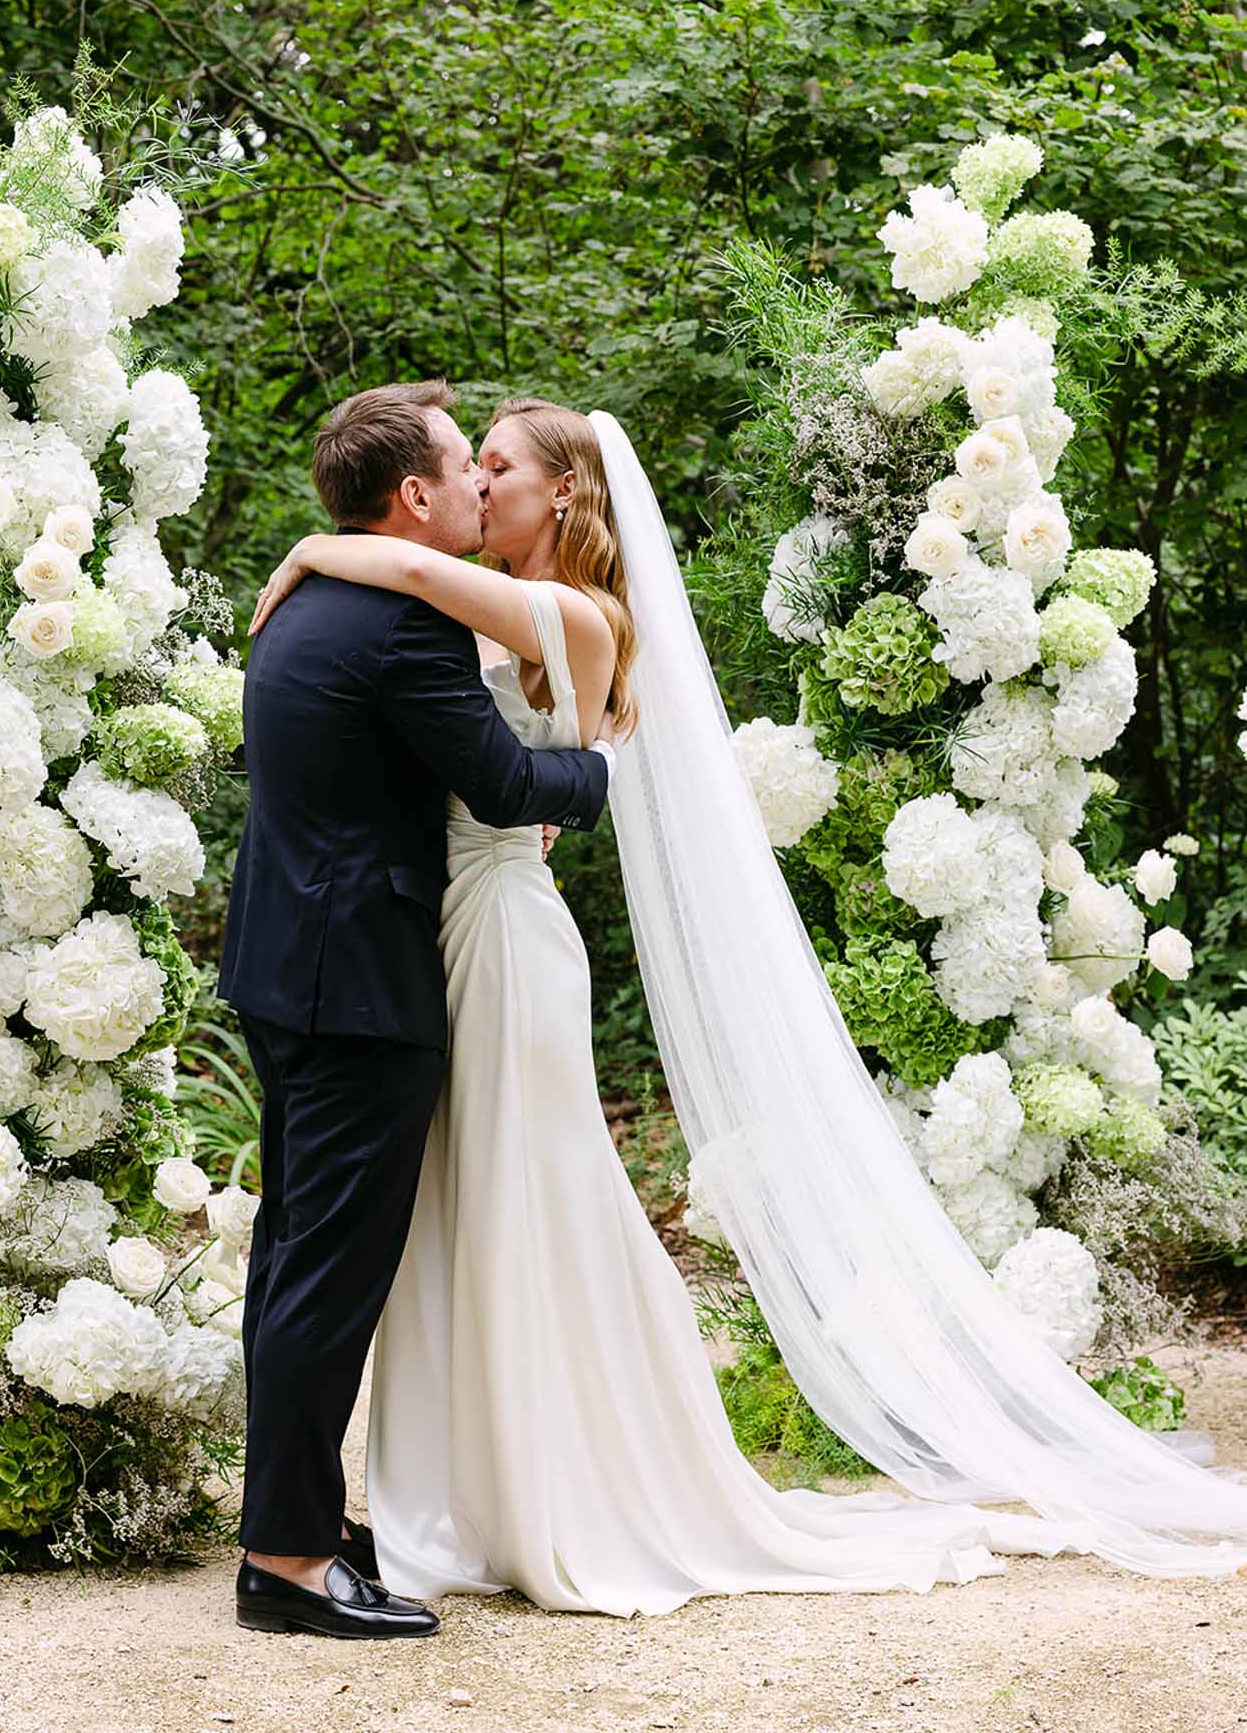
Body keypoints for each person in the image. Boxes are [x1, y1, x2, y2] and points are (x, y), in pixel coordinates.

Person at [249, 393, 1247, 1616]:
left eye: (501, 464)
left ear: (564, 490)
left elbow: (434, 624)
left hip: (492, 937)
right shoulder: (438, 608)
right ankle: (439, 1490)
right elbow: (414, 642)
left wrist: (309, 547)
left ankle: (559, 1483)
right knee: (460, 1216)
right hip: (423, 944)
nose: (483, 480)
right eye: (473, 463)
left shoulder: (565, 612)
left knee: (527, 1198)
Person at [219, 382, 613, 1641]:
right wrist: (598, 773)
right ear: (416, 495)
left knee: (292, 1260)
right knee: (326, 1276)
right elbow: (502, 782)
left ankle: (297, 1513)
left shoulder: (303, 609)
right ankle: (284, 1556)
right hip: (365, 984)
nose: (478, 485)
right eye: (465, 465)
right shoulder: (402, 625)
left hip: (287, 965)